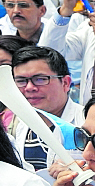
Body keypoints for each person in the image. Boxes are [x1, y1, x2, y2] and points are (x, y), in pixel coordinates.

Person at [8, 45, 82, 174]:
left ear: (65, 83)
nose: (29, 87)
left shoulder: (86, 121)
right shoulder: (19, 124)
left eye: (40, 79)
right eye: (21, 81)